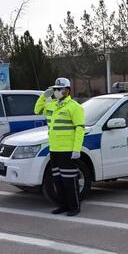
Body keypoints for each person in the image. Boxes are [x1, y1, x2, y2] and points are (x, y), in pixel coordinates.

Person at [34, 78, 85, 216]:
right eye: (55, 89)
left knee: (69, 180)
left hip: (67, 150)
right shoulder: (52, 106)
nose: (57, 92)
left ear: (68, 90)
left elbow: (80, 129)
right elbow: (37, 110)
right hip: (54, 149)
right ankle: (63, 205)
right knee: (58, 180)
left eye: (59, 89)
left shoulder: (75, 107)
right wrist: (44, 96)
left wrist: (76, 149)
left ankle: (74, 206)